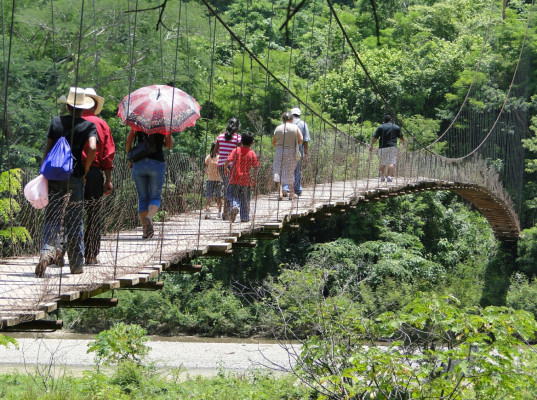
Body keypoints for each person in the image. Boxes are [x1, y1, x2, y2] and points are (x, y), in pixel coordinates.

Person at [35, 87, 97, 277]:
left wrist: (43, 173)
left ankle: (46, 253)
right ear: (82, 108)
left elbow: (47, 150)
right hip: (75, 176)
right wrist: (85, 169)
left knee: (52, 217)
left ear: (68, 106)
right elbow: (93, 147)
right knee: (75, 220)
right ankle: (76, 265)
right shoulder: (88, 126)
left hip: (54, 175)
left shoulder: (56, 122)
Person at [81, 88, 115, 265]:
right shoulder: (101, 124)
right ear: (95, 105)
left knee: (68, 213)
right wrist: (108, 180)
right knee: (93, 214)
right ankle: (91, 254)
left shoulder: (72, 121)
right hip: (94, 173)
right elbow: (107, 155)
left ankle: (62, 252)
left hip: (71, 173)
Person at [125, 129, 173, 239]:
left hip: (139, 162)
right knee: (155, 196)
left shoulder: (138, 123)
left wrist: (130, 155)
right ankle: (150, 218)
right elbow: (169, 145)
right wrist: (162, 142)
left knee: (142, 197)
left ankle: (145, 231)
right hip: (156, 163)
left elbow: (128, 141)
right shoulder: (163, 125)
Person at [224, 132, 259, 223]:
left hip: (235, 178)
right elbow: (255, 168)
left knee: (230, 194)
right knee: (245, 199)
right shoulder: (252, 153)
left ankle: (235, 205)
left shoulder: (236, 150)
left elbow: (228, 160)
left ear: (241, 141)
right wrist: (255, 180)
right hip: (246, 180)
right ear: (252, 143)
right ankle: (244, 217)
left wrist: (225, 168)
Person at [272, 111, 303, 200]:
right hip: (291, 151)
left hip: (279, 151)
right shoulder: (295, 127)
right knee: (290, 171)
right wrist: (296, 144)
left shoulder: (278, 128)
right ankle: (292, 194)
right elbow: (301, 139)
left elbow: (274, 142)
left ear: (283, 119)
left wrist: (278, 148)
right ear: (292, 120)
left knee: (279, 171)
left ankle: (280, 193)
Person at [216, 118, 241, 220]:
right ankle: (232, 208)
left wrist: (223, 155)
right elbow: (240, 151)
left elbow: (215, 150)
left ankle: (226, 213)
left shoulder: (220, 136)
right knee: (232, 188)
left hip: (221, 165)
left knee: (227, 187)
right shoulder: (238, 138)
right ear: (238, 127)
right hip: (233, 166)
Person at [283, 107, 310, 197]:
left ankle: (285, 188)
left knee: (286, 169)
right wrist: (306, 153)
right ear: (299, 114)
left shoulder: (284, 123)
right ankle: (297, 189)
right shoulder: (303, 124)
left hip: (285, 149)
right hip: (297, 151)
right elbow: (305, 140)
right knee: (296, 170)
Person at [369, 114, 405, 182]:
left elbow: (375, 138)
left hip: (383, 147)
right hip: (392, 147)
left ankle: (382, 177)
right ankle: (389, 177)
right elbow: (401, 137)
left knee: (383, 163)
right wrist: (403, 143)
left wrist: (371, 146)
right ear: (391, 120)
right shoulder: (396, 127)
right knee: (391, 162)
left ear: (384, 121)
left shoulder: (380, 127)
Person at [204, 141, 223, 219]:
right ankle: (215, 212)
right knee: (215, 197)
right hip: (215, 180)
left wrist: (207, 173)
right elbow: (204, 167)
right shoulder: (217, 157)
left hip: (214, 179)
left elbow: (204, 167)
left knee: (213, 196)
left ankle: (213, 212)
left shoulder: (210, 157)